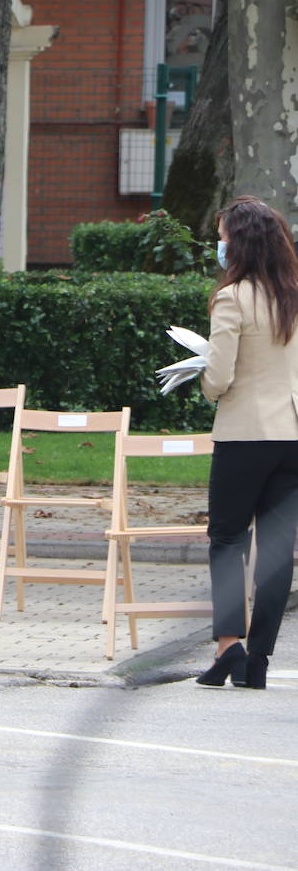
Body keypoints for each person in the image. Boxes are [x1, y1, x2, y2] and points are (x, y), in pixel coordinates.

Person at [196, 196, 298, 691]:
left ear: (238, 243)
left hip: (245, 434)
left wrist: (203, 383)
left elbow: (219, 375)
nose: (219, 244)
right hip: (292, 434)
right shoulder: (294, 294)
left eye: (222, 235)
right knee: (277, 549)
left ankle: (227, 646)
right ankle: (258, 660)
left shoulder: (233, 296)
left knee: (228, 539)